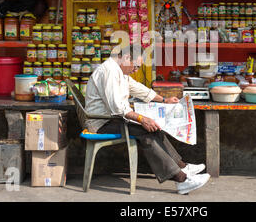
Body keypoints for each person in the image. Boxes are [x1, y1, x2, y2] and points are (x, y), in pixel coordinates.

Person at [84, 44, 210, 194]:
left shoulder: (119, 71)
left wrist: (164, 100)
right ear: (126, 58)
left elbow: (138, 88)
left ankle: (182, 167)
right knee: (147, 132)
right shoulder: (109, 71)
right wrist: (142, 119)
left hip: (113, 119)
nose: (135, 70)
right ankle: (181, 180)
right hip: (101, 123)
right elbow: (117, 108)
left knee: (155, 127)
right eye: (135, 66)